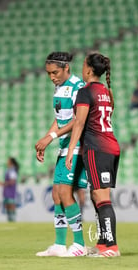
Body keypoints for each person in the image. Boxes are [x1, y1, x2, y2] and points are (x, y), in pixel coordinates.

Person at [66, 52, 121, 257]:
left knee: (101, 195)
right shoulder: (105, 91)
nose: (81, 68)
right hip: (110, 146)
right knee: (96, 194)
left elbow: (79, 122)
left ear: (89, 69)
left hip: (97, 148)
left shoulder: (85, 91)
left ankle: (112, 246)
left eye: (83, 65)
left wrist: (71, 150)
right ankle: (102, 243)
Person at [35, 52, 87, 257]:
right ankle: (58, 244)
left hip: (77, 147)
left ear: (66, 68)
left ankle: (80, 244)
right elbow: (60, 118)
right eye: (48, 73)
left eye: (55, 72)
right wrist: (46, 140)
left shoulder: (78, 88)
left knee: (65, 193)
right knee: (56, 193)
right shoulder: (59, 88)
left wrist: (51, 137)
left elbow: (77, 120)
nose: (51, 77)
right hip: (64, 146)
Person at [0, 157, 19, 222]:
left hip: (10, 191)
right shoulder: (9, 170)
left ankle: (13, 219)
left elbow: (13, 181)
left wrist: (3, 183)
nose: (7, 162)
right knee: (7, 206)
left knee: (11, 205)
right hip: (7, 191)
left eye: (8, 161)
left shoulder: (12, 170)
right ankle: (10, 220)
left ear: (11, 162)